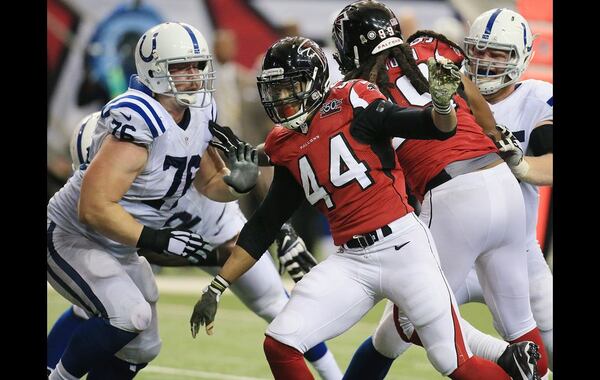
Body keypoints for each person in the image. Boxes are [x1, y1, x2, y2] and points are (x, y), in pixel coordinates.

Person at [189, 34, 524, 380]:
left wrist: (441, 106)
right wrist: (216, 286)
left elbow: (430, 128)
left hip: (404, 248)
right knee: (280, 343)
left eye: (290, 87)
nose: (281, 99)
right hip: (352, 260)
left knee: (453, 361)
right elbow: (264, 224)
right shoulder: (284, 142)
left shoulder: (353, 99)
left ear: (315, 80)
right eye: (275, 90)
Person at [331, 1, 546, 379]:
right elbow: (477, 105)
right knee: (521, 332)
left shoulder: (354, 92)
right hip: (501, 185)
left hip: (451, 199)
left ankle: (503, 359)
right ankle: (524, 363)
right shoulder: (429, 48)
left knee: (416, 322)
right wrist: (495, 139)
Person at [47, 112, 343, 379]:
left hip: (225, 232)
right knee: (99, 307)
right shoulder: (112, 189)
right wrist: (202, 253)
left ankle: (334, 375)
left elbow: (240, 173)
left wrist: (281, 232)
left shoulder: (162, 148)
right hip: (183, 243)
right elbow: (140, 245)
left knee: (277, 306)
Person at [46, 22, 260, 379]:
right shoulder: (139, 120)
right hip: (74, 237)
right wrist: (158, 239)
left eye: (197, 66)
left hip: (119, 244)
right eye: (181, 67)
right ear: (154, 70)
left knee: (144, 345)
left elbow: (208, 183)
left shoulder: (200, 113)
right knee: (129, 316)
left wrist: (236, 186)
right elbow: (93, 208)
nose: (193, 75)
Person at [459, 7, 554, 373]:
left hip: (517, 250)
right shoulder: (447, 97)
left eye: (497, 53)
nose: (484, 61)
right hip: (451, 247)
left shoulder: (536, 99)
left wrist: (522, 165)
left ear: (521, 58)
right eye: (478, 50)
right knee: (399, 329)